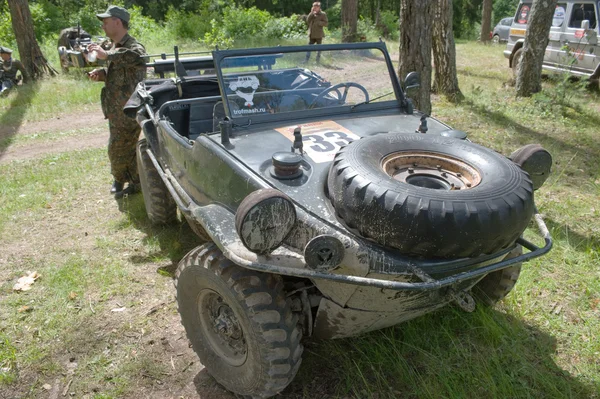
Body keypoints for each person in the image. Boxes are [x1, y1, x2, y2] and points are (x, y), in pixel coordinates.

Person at [87, 5, 146, 198]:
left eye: (106, 22)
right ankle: (124, 179)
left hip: (128, 109)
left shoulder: (132, 46)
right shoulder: (113, 45)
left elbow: (138, 57)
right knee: (120, 147)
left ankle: (129, 180)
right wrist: (102, 74)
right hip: (115, 109)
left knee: (119, 148)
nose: (103, 26)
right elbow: (121, 74)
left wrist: (108, 56)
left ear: (118, 22)